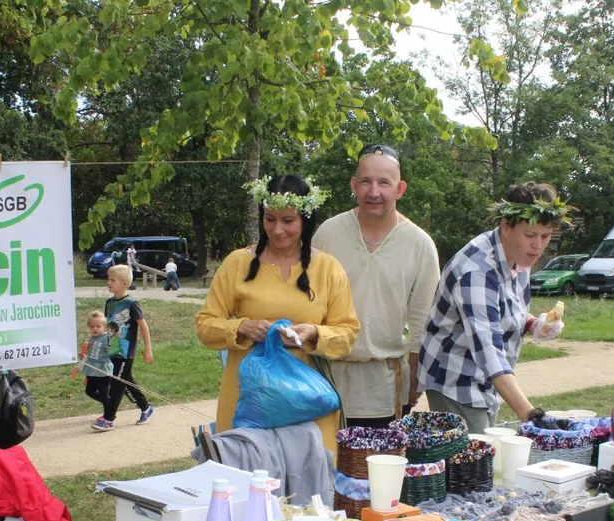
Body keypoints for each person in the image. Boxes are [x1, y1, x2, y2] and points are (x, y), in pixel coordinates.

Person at [195, 174, 360, 451]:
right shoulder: (238, 263)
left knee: (307, 486)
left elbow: (348, 333)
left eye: (288, 220)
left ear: (305, 220)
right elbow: (205, 325)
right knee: (248, 479)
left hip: (307, 402)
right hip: (248, 400)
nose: (277, 229)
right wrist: (242, 328)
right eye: (270, 218)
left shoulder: (328, 268)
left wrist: (313, 333)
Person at [417, 181, 571, 434]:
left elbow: (505, 310)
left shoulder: (519, 254)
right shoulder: (476, 271)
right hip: (456, 380)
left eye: (546, 236)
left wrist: (534, 324)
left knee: (488, 462)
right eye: (531, 235)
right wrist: (530, 414)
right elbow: (488, 350)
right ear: (506, 226)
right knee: (475, 467)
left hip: (487, 383)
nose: (538, 246)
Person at [313, 143, 440, 428]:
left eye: (384, 182)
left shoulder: (419, 245)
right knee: (323, 469)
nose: (374, 192)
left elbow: (423, 323)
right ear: (354, 185)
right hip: (324, 380)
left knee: (377, 470)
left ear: (400, 189)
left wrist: (415, 379)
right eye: (366, 182)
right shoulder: (327, 234)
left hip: (384, 386)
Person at [86, 264, 154, 431]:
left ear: (124, 284)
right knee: (125, 381)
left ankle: (109, 419)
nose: (108, 283)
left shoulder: (132, 303)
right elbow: (106, 327)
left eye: (112, 280)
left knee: (117, 384)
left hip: (124, 352)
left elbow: (143, 326)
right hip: (111, 350)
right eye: (108, 279)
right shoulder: (109, 303)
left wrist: (148, 349)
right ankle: (146, 407)